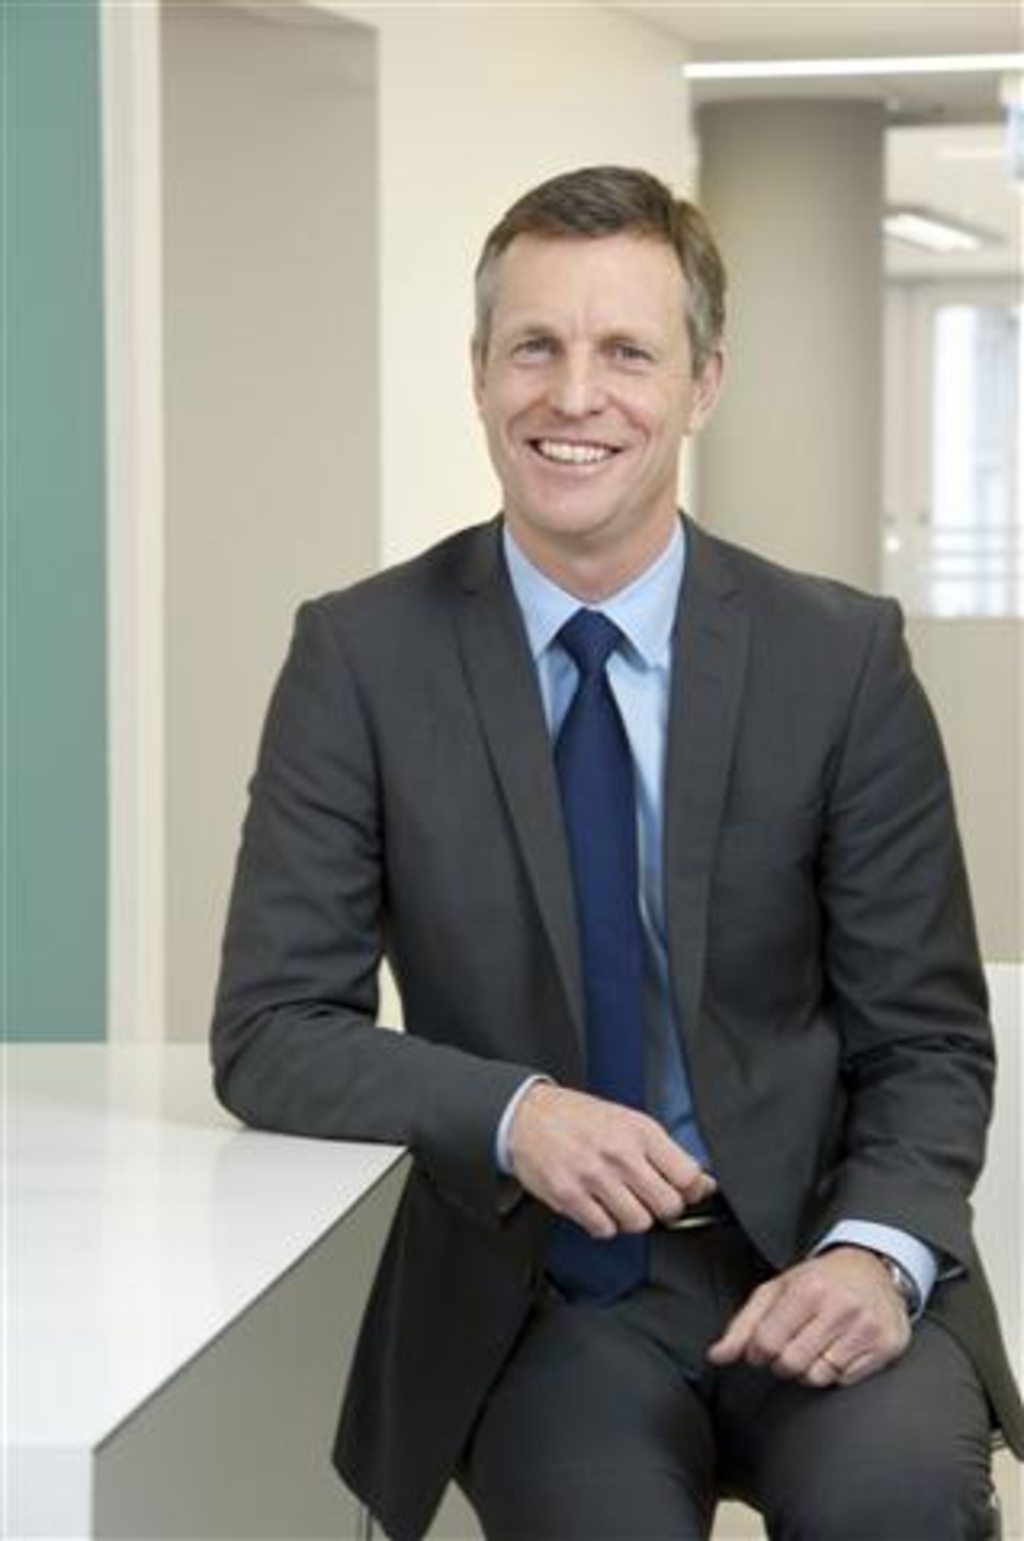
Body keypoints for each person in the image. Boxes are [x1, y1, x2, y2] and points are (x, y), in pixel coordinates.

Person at [211, 165, 1023, 1540]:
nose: (573, 395)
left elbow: (927, 1038)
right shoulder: (360, 656)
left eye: (627, 353)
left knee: (896, 1507)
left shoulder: (838, 658)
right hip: (542, 1295)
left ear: (704, 382)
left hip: (816, 1250)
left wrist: (877, 1254)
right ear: (480, 372)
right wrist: (516, 1112)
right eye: (534, 346)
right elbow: (272, 1029)